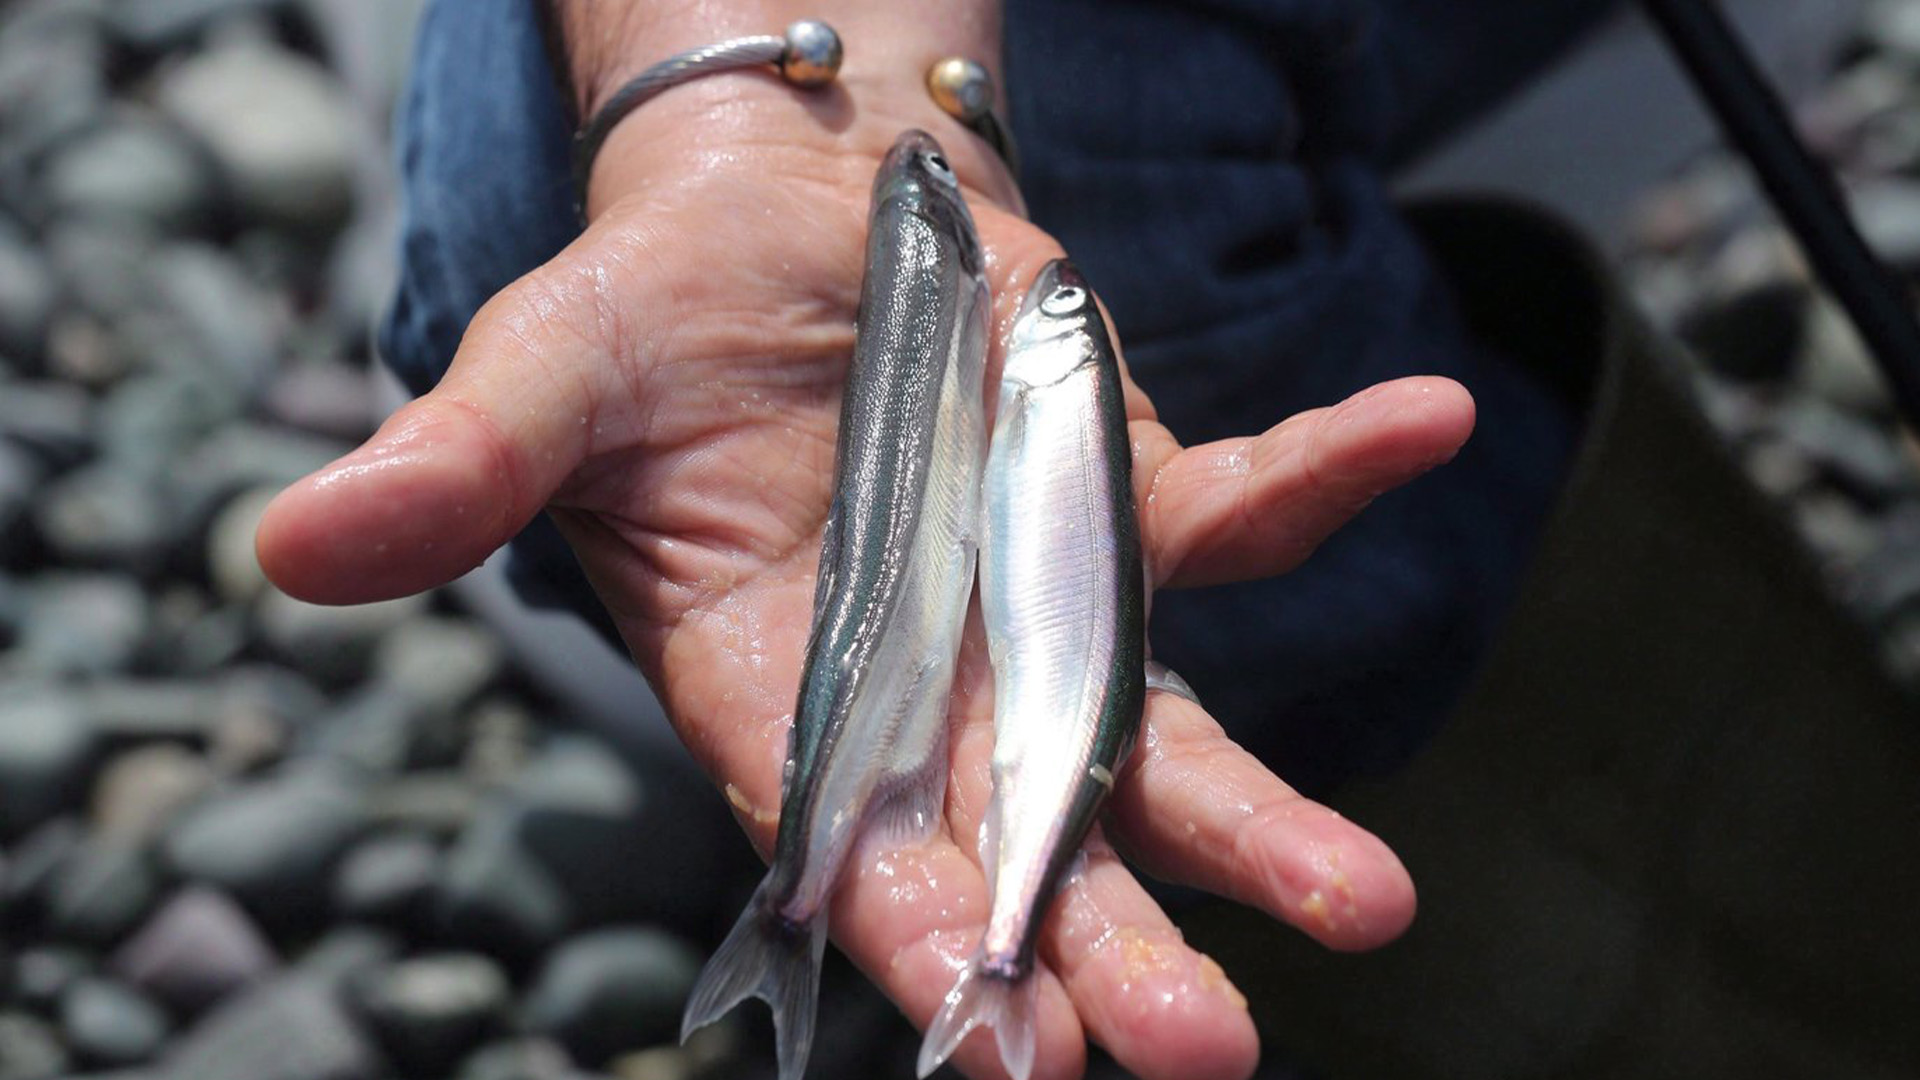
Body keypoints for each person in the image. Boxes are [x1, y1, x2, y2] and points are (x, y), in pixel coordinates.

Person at [257, 1, 1620, 1077]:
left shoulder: (992, 320)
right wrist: (764, 105)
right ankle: (857, 885)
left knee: (1104, 168)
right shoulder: (954, 285)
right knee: (526, 200)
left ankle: (1467, 758)